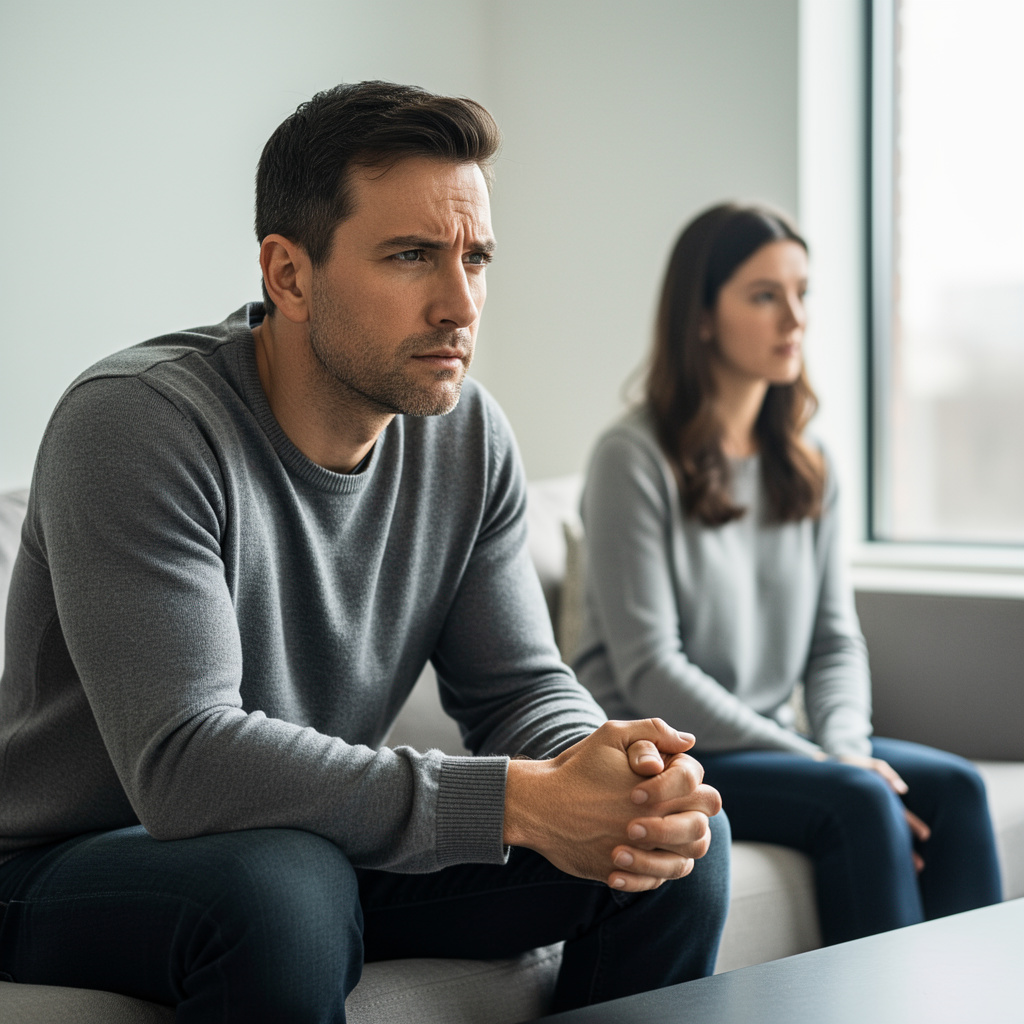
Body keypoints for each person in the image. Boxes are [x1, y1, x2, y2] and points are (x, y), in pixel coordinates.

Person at [0, 83, 729, 1021]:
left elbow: (516, 688)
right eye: (412, 256)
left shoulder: (467, 437)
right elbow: (185, 761)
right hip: (65, 860)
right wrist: (519, 800)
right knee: (281, 886)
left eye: (476, 258)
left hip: (304, 842)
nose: (460, 304)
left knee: (666, 850)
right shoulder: (137, 424)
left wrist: (604, 774)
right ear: (289, 276)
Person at [573, 201, 1003, 947]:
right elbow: (651, 672)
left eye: (802, 293)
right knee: (856, 800)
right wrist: (828, 765)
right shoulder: (631, 458)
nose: (795, 317)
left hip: (778, 742)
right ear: (701, 317)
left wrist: (846, 748)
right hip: (670, 754)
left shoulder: (808, 462)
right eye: (765, 295)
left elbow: (834, 642)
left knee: (956, 789)